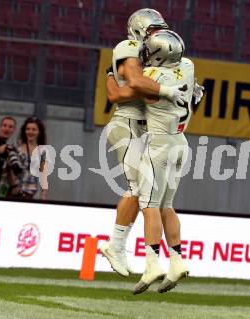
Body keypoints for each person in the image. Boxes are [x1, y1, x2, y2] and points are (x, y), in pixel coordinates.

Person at [100, 8, 190, 277]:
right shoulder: (128, 47)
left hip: (144, 128)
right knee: (139, 188)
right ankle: (115, 246)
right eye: (152, 30)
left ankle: (117, 246)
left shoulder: (162, 57)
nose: (157, 35)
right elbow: (136, 83)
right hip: (127, 123)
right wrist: (169, 91)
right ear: (139, 31)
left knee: (144, 191)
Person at [132, 30, 194, 295]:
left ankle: (152, 262)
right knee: (167, 205)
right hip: (181, 143)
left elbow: (134, 86)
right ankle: (177, 260)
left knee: (149, 205)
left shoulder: (151, 77)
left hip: (159, 144)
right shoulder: (189, 66)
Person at [5, 117, 48, 200]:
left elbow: (43, 174)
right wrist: (13, 185)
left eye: (34, 129)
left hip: (30, 194)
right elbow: (8, 168)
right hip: (15, 193)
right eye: (28, 129)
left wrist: (44, 194)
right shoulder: (17, 146)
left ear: (39, 132)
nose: (30, 132)